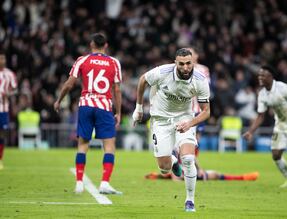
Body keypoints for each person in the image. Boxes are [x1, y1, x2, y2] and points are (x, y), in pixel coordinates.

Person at [132, 48, 210, 212]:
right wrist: (138, 108)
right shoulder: (162, 72)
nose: (186, 67)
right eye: (181, 64)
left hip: (184, 120)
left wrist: (190, 123)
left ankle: (190, 201)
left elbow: (206, 111)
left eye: (189, 63)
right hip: (160, 121)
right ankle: (173, 162)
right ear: (175, 63)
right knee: (164, 167)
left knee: (188, 159)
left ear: (192, 62)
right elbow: (142, 81)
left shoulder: (200, 80)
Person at [54, 33, 122, 195]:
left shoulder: (82, 60)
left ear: (91, 44)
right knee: (109, 146)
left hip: (85, 104)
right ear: (105, 45)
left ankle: (79, 183)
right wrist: (118, 112)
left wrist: (59, 100)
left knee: (83, 145)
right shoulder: (114, 62)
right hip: (104, 106)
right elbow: (117, 89)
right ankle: (104, 183)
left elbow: (70, 84)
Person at [243, 65, 287, 188]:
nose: (260, 77)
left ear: (270, 77)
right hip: (280, 125)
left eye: (263, 75)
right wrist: (250, 132)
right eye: (259, 75)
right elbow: (260, 116)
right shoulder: (262, 94)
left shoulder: (283, 88)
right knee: (275, 155)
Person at [145, 149, 259, 181]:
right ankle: (241, 177)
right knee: (214, 175)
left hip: (186, 169)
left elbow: (192, 157)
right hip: (182, 170)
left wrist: (199, 169)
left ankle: (241, 177)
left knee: (214, 175)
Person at [0, 49, 18, 170]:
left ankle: (0, 159)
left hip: (3, 109)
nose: (2, 61)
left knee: (2, 134)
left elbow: (15, 89)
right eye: (0, 58)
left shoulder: (9, 74)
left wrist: (9, 93)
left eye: (3, 58)